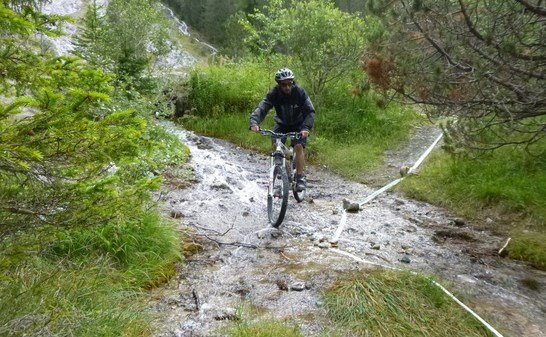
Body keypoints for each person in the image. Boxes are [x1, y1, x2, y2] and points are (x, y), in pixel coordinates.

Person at [249, 68, 315, 191]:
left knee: (299, 146)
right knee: (276, 144)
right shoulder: (274, 94)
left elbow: (310, 111)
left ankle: (300, 177)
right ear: (279, 85)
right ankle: (279, 170)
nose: (287, 87)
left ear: (292, 83)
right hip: (282, 124)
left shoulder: (299, 92)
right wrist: (254, 122)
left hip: (299, 125)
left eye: (289, 84)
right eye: (284, 85)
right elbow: (262, 107)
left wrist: (306, 128)